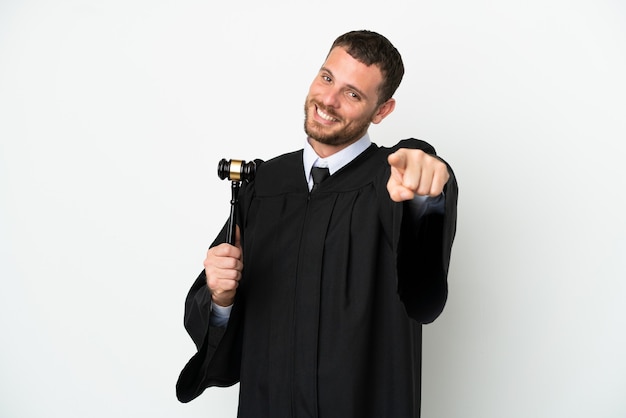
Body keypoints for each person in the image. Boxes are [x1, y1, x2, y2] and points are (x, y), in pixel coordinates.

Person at [176, 30, 458, 418]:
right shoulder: (264, 186)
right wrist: (221, 299)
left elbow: (423, 294)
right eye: (327, 78)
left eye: (353, 94)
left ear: (382, 110)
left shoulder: (390, 183)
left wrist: (427, 192)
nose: (329, 100)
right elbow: (218, 321)